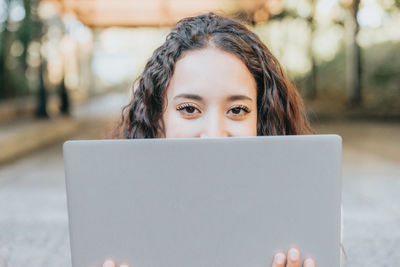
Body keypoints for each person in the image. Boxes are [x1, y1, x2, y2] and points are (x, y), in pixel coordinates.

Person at [109, 13, 315, 267]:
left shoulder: (299, 230)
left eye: (237, 110)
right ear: (156, 119)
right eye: (189, 108)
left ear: (261, 120)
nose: (214, 134)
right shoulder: (117, 227)